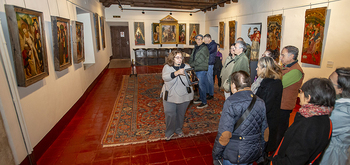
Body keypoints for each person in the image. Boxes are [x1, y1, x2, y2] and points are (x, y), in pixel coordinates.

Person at [269, 78, 335, 164]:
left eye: (300, 91)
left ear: (309, 97)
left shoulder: (308, 124)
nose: (299, 94)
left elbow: (293, 160)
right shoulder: (325, 118)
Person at [212, 71, 267, 165]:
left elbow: (225, 134)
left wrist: (216, 155)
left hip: (235, 154)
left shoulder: (231, 102)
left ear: (233, 85)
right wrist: (261, 152)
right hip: (252, 152)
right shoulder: (260, 101)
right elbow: (265, 131)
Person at [251, 57, 283, 155]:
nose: (256, 69)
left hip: (268, 120)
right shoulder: (267, 81)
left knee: (264, 147)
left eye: (258, 67)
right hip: (265, 119)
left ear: (264, 69)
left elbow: (266, 105)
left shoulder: (272, 84)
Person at [160, 50, 194, 140]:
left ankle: (178, 129)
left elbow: (190, 81)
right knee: (170, 114)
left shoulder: (187, 66)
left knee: (180, 114)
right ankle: (169, 131)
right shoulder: (167, 67)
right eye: (177, 57)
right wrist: (177, 72)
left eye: (181, 57)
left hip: (184, 95)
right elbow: (165, 78)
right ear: (172, 58)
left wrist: (191, 77)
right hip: (170, 95)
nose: (180, 59)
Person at [320, 67, 350, 165]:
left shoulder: (343, 112)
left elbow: (321, 130)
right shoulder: (340, 106)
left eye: (330, 82)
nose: (326, 84)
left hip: (331, 156)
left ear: (341, 89)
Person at [279, 45, 304, 140]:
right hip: (280, 103)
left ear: (291, 56)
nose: (281, 58)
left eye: (283, 55)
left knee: (280, 130)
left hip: (284, 105)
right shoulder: (286, 67)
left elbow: (280, 84)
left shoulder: (296, 71)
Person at [189, 34, 209, 108]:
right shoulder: (196, 47)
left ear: (202, 40)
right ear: (195, 40)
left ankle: (204, 102)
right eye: (198, 39)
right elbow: (192, 57)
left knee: (201, 85)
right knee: (199, 85)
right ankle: (201, 98)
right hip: (196, 68)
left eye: (201, 39)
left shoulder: (204, 48)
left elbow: (199, 60)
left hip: (201, 69)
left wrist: (191, 65)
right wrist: (189, 63)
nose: (199, 40)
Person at [204, 34, 217, 100]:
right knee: (206, 79)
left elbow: (207, 52)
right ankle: (207, 92)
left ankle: (211, 94)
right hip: (206, 63)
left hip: (210, 64)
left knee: (210, 79)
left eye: (205, 40)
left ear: (209, 39)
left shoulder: (214, 45)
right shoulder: (207, 44)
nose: (205, 41)